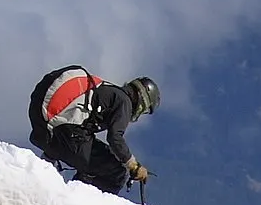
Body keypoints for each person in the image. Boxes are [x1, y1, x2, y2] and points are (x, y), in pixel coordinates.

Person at [28, 69, 161, 195]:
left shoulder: (108, 91)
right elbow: (115, 138)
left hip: (47, 129)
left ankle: (49, 165)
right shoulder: (124, 102)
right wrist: (134, 166)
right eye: (144, 111)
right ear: (142, 102)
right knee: (118, 172)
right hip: (69, 135)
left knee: (95, 157)